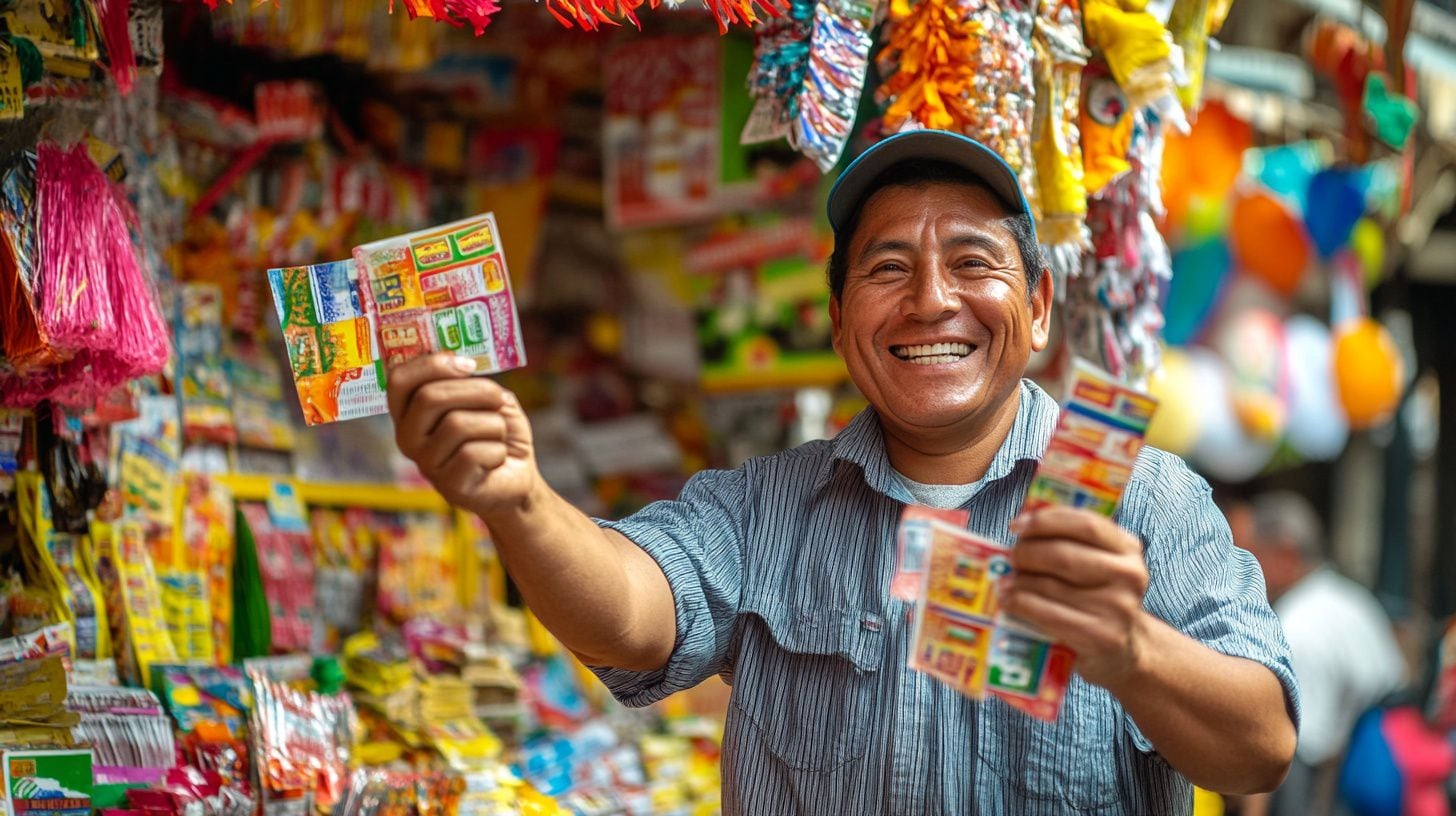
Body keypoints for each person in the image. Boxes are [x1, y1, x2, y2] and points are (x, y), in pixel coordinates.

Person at [386, 130, 1298, 814]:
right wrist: (518, 501)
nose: (932, 298)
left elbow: (1259, 748)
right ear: (837, 321)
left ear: (1041, 306)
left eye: (973, 262)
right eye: (888, 267)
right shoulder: (764, 505)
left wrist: (1128, 651)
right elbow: (631, 615)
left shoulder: (1144, 496)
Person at [1228, 491, 1406, 816]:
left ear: (1285, 552)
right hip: (1388, 774)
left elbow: (1295, 752)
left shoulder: (1298, 625)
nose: (1241, 570)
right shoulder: (1352, 598)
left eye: (1251, 555)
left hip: (1352, 787)